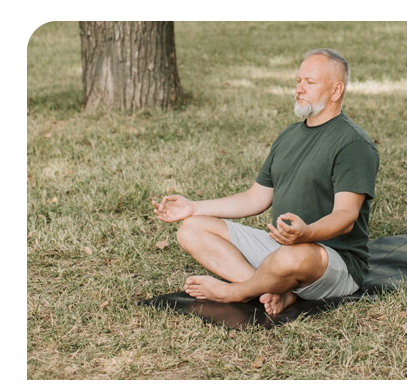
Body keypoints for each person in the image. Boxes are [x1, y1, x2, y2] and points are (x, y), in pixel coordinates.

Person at [152, 48, 379, 315]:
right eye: (298, 81)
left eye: (310, 82)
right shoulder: (289, 135)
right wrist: (194, 208)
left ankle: (235, 292)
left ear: (336, 90)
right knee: (191, 229)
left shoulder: (353, 143)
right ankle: (274, 290)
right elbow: (255, 198)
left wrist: (305, 234)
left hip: (332, 260)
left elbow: (346, 216)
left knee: (293, 256)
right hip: (283, 247)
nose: (299, 88)